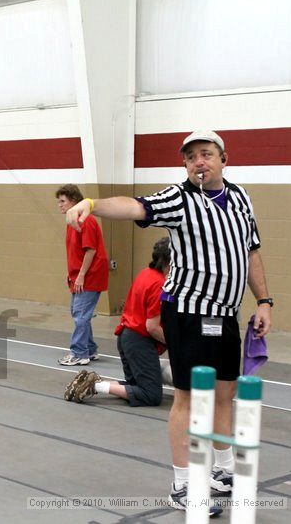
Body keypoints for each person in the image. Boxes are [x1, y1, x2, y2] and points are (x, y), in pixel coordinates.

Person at [65, 130, 272, 514]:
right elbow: (135, 206)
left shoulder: (242, 199)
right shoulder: (179, 198)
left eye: (206, 154)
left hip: (225, 314)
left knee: (225, 395)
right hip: (189, 313)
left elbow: (251, 252)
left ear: (223, 158)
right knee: (189, 399)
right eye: (191, 156)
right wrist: (91, 203)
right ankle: (183, 485)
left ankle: (222, 471)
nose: (199, 161)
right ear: (185, 164)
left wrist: (263, 301)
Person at [66, 237, 172, 406]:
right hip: (138, 341)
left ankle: (95, 382)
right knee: (151, 395)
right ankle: (95, 385)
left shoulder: (146, 273)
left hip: (126, 338)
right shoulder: (160, 284)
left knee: (136, 386)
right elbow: (152, 327)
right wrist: (175, 343)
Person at [55, 184, 109, 366]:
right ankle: (90, 349)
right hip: (79, 275)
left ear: (73, 201)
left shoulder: (85, 221)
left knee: (80, 315)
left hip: (90, 276)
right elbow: (76, 252)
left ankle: (79, 353)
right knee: (79, 313)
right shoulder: (72, 222)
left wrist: (81, 276)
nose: (59, 205)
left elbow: (91, 250)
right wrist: (72, 274)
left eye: (62, 201)